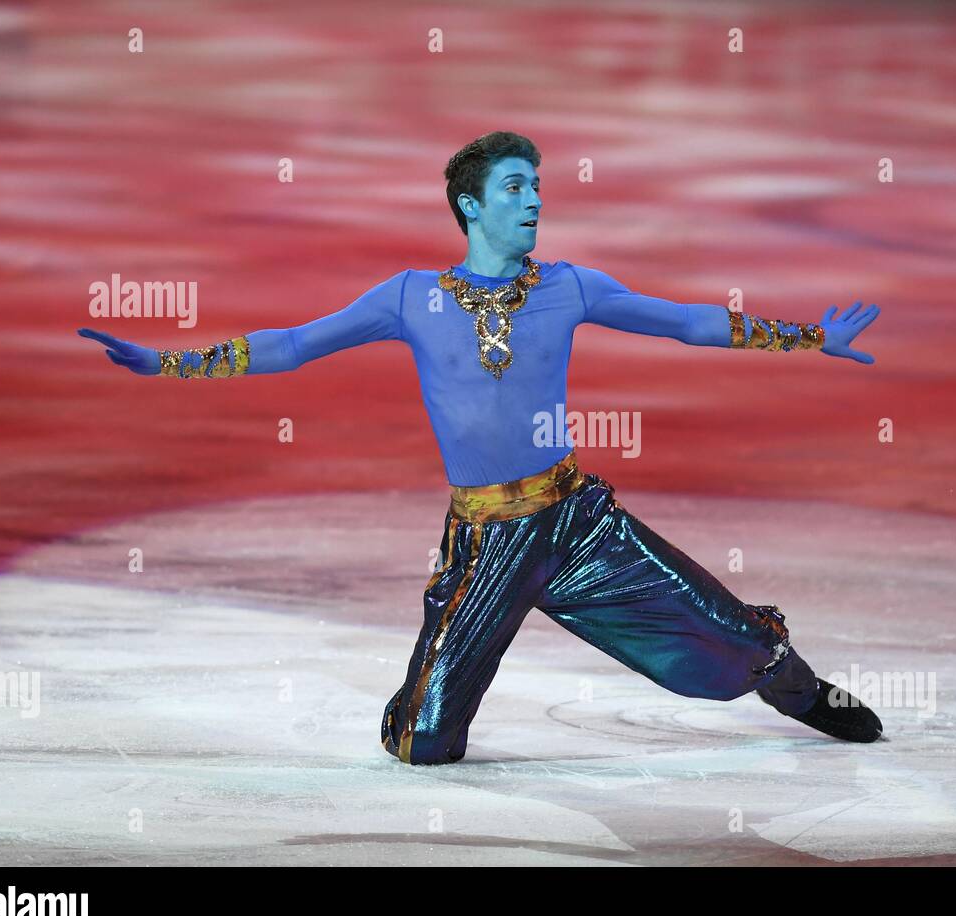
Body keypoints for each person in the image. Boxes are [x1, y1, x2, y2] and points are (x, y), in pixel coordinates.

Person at [79, 130, 885, 765]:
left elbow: (686, 321)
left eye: (537, 186)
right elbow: (294, 343)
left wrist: (811, 337)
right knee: (422, 743)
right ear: (471, 206)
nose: (533, 199)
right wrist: (169, 362)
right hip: (483, 543)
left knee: (732, 636)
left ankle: (808, 695)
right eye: (514, 186)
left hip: (577, 526)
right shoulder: (411, 298)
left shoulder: (569, 286)